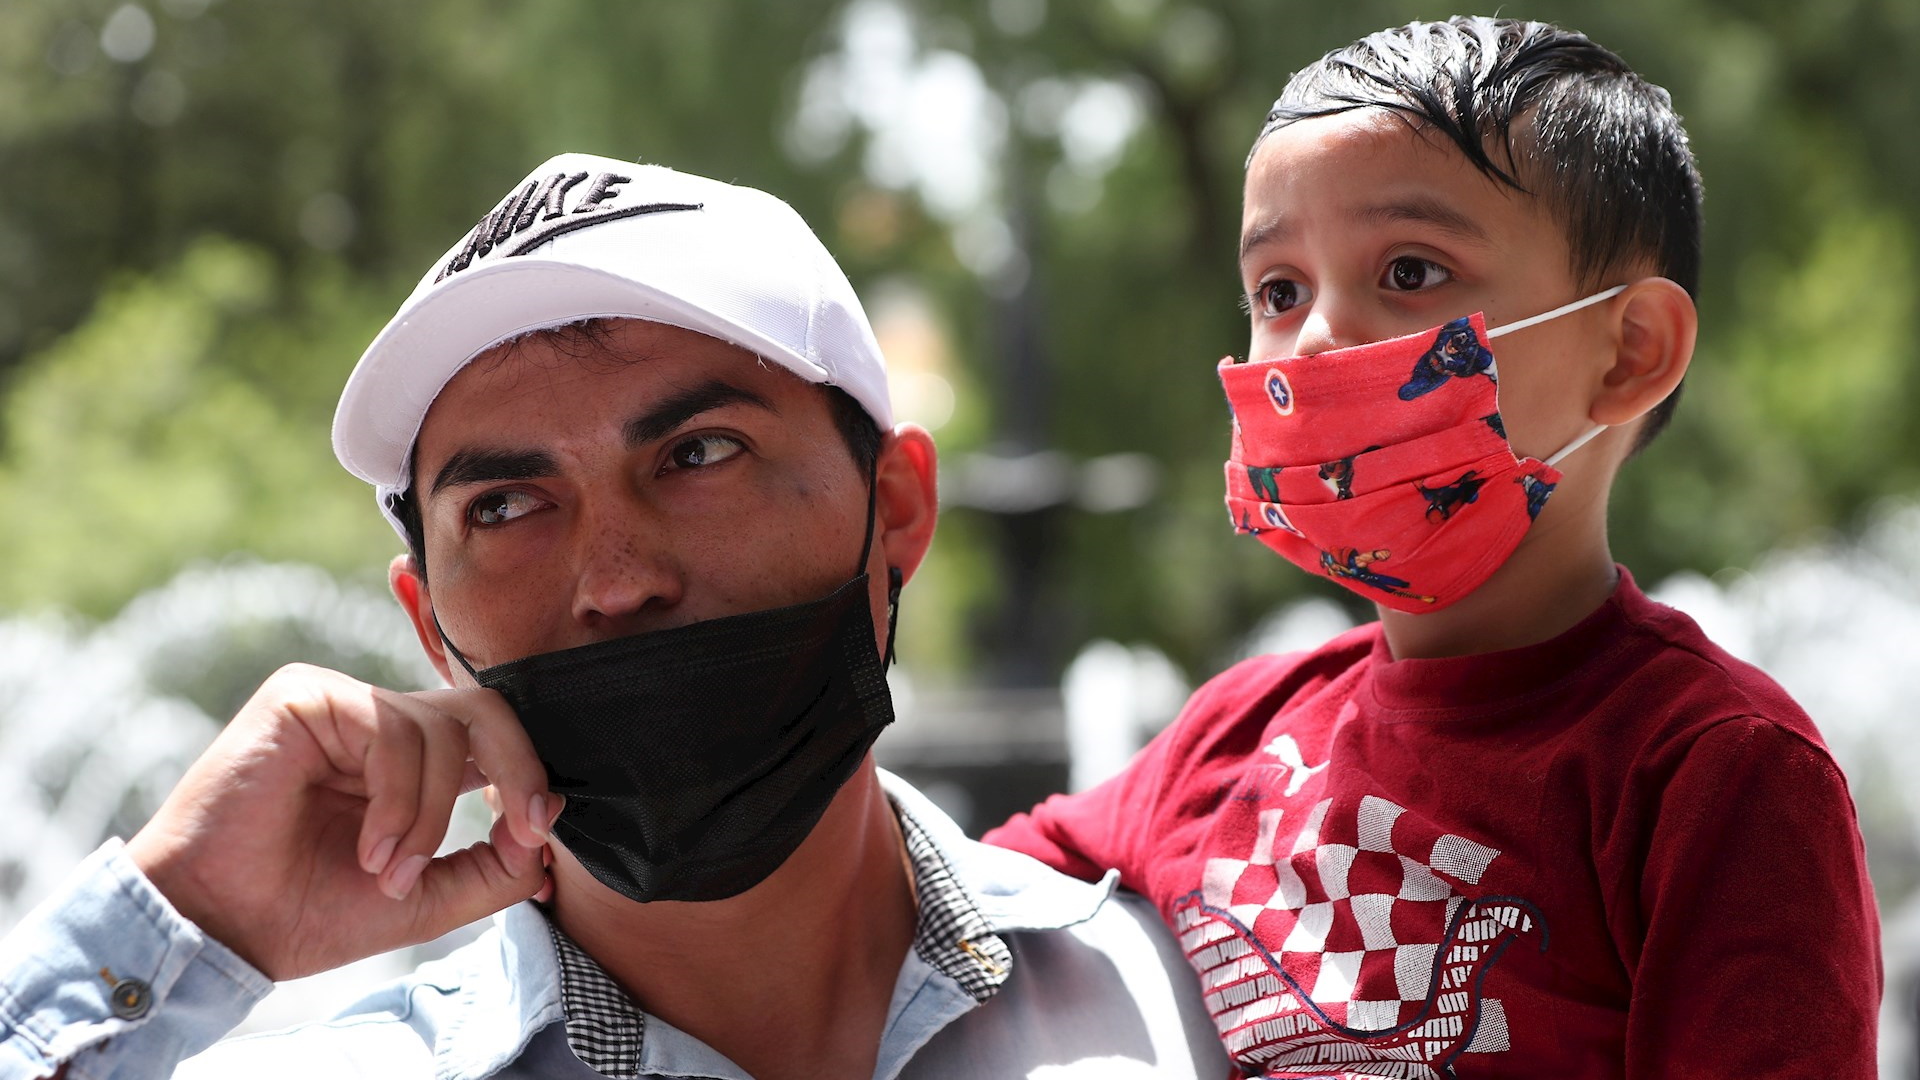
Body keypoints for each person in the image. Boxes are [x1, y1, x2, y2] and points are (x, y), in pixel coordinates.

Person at [0, 154, 1230, 1079]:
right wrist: (180, 923)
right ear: (429, 622)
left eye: (700, 452)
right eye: (508, 504)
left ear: (896, 505)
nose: (615, 574)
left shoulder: (1215, 1002)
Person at [985, 17, 1881, 1077]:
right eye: (1279, 289)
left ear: (1629, 353)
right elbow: (958, 917)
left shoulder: (1711, 776)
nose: (1315, 338)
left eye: (1409, 271)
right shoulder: (1230, 738)